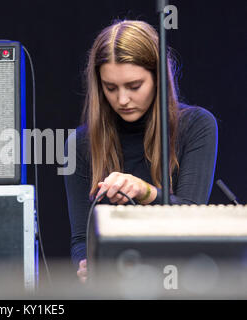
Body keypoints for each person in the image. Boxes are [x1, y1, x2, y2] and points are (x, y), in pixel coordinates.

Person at [63, 20, 218, 283]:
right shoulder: (79, 143)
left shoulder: (196, 125)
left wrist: (143, 191)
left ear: (158, 79)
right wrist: (86, 264)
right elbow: (81, 238)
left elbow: (192, 217)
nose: (122, 99)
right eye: (110, 88)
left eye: (134, 86)